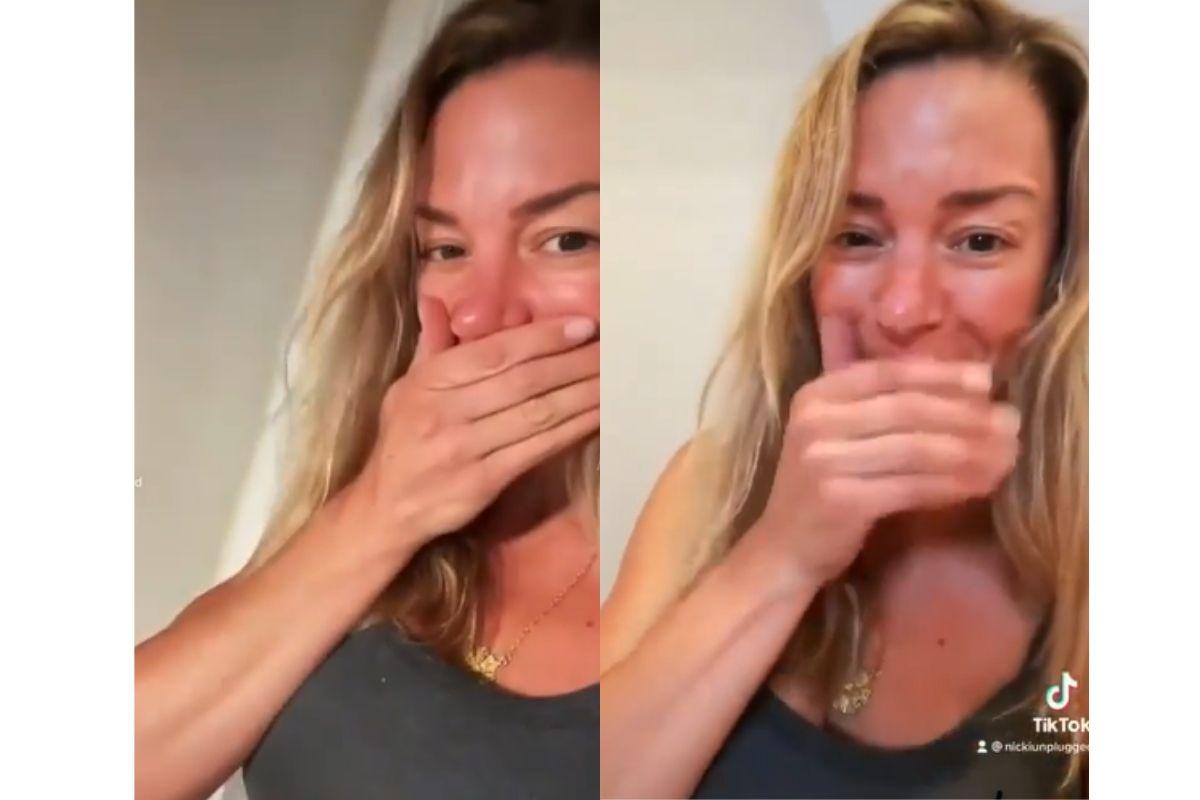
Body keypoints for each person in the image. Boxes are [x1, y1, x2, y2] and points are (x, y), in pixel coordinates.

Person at [600, 0, 1087, 797]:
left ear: (1059, 276)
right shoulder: (708, 490)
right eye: (858, 235)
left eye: (980, 241)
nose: (903, 309)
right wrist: (781, 557)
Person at [135, 1, 600, 798]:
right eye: (446, 249)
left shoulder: (713, 571)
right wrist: (385, 509)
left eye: (566, 239)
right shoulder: (378, 517)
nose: (482, 313)